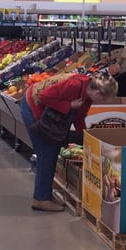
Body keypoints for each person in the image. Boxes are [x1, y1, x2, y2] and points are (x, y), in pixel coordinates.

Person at [20, 72, 118, 212]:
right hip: (33, 107)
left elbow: (80, 117)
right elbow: (43, 97)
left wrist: (87, 139)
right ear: (98, 92)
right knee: (47, 154)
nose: (101, 103)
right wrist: (69, 105)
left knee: (52, 152)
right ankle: (41, 199)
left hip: (45, 112)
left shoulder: (88, 95)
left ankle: (44, 194)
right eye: (103, 99)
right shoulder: (74, 85)